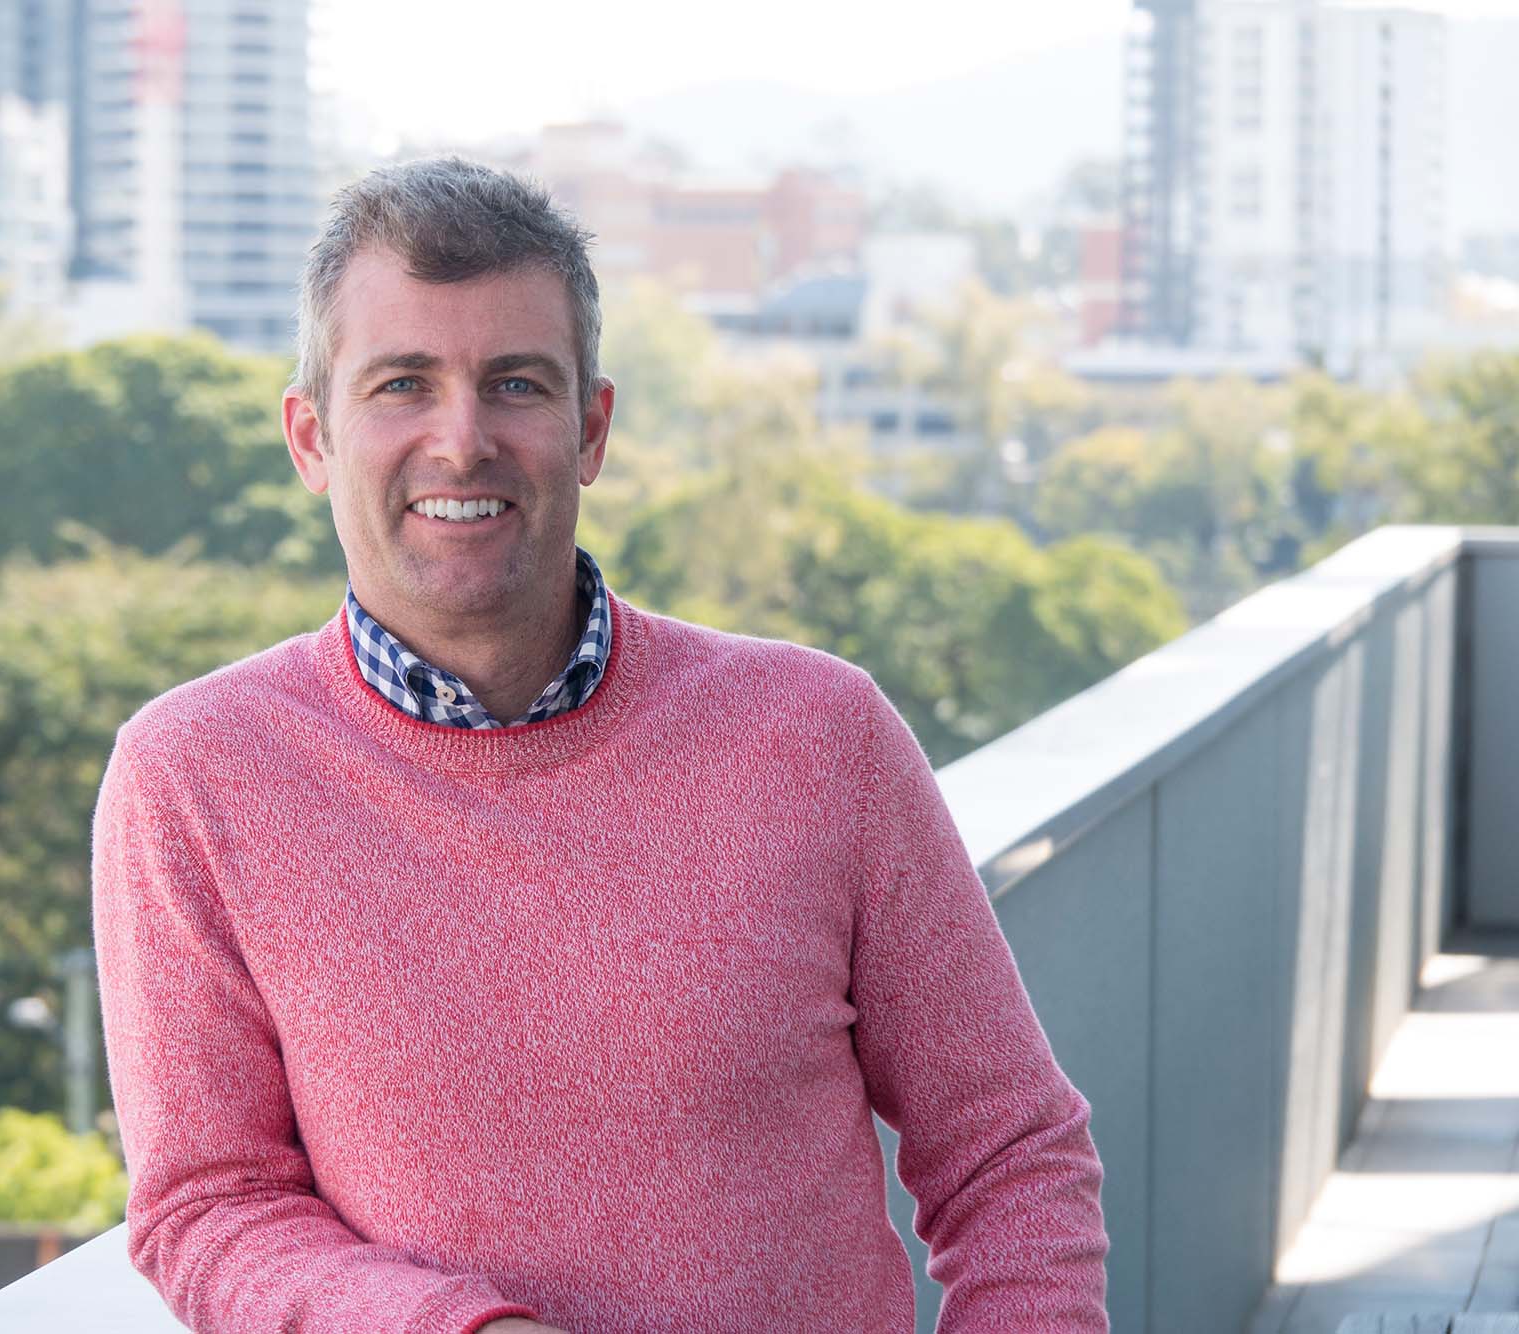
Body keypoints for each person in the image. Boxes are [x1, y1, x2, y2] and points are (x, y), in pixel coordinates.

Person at [90, 156, 1109, 1334]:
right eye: (401, 384)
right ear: (310, 437)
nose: (460, 439)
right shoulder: (193, 777)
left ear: (591, 426)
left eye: (514, 383)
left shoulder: (818, 734)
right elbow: (206, 1205)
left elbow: (1010, 1153)